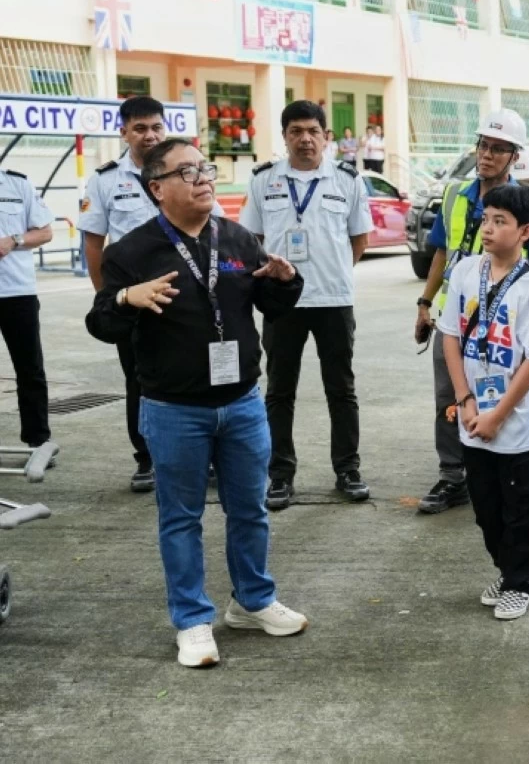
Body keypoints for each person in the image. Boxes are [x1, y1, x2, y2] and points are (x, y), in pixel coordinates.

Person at [85, 138, 308, 668]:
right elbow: (100, 322)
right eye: (187, 172)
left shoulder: (235, 239)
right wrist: (124, 298)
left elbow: (270, 308)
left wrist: (286, 280)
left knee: (249, 509)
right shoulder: (131, 252)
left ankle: (252, 602)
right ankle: (191, 620)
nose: (203, 177)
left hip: (242, 402)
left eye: (205, 167)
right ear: (156, 187)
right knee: (181, 518)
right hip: (173, 408)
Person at [413, 109, 529, 515]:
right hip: (456, 317)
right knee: (450, 395)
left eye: (498, 149)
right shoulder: (455, 197)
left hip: (506, 322)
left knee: (504, 391)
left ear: (515, 156)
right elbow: (442, 251)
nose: (487, 155)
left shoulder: (525, 204)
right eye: (483, 146)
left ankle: (504, 465)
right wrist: (425, 304)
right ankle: (452, 475)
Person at [79, 96, 223, 492]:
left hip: (191, 300)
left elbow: (218, 229)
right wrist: (110, 298)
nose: (150, 135)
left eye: (156, 127)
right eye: (140, 128)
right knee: (139, 381)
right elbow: (94, 243)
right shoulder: (107, 179)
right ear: (123, 132)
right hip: (137, 302)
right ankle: (146, 459)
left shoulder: (189, 171)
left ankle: (205, 456)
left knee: (201, 375)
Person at [239, 100, 374, 510]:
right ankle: (280, 475)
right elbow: (252, 240)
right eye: (296, 131)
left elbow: (359, 240)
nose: (305, 139)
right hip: (283, 304)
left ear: (326, 136)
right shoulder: (264, 180)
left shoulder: (348, 179)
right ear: (284, 137)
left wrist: (332, 272)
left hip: (334, 299)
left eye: (313, 131)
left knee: (341, 389)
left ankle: (347, 469)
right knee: (279, 391)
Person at [438, 184, 529, 620]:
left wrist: (497, 415)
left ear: (525, 231)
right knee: (486, 508)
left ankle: (519, 581)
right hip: (474, 415)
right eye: (486, 219)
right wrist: (466, 400)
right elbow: (450, 335)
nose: (487, 228)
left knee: (519, 509)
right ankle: (507, 570)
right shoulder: (468, 272)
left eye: (500, 221)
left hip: (517, 421)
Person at [0, 168, 55, 453]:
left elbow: (46, 231)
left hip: (16, 292)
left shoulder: (17, 184)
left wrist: (14, 240)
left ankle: (38, 440)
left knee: (29, 368)